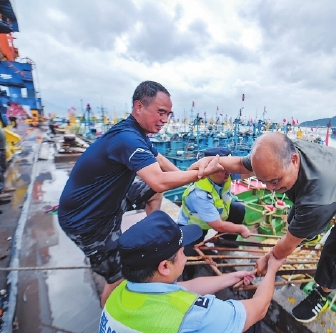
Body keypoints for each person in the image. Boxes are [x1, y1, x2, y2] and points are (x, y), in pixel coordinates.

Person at [58, 81, 223, 307]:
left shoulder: (137, 133)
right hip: (87, 219)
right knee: (119, 277)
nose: (165, 120)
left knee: (152, 192)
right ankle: (108, 320)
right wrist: (199, 175)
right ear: (139, 107)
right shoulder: (127, 138)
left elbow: (160, 160)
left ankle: (149, 229)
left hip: (110, 200)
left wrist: (187, 175)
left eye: (168, 114)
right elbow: (158, 179)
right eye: (161, 112)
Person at [190, 132, 336, 323]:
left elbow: (284, 248)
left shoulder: (317, 200)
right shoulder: (278, 153)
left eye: (274, 181)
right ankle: (310, 230)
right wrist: (211, 163)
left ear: (294, 159)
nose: (270, 189)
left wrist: (269, 258)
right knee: (297, 218)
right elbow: (242, 164)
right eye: (264, 182)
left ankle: (322, 293)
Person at [100, 210, 285, 332]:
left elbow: (186, 287)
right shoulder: (189, 315)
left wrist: (232, 277)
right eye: (182, 252)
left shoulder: (122, 292)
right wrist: (272, 269)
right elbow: (259, 309)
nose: (186, 256)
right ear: (164, 267)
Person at [178, 147, 250, 248]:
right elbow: (218, 225)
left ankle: (224, 241)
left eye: (229, 168)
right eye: (223, 169)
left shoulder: (224, 175)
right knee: (191, 253)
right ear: (210, 169)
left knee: (238, 209)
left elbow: (249, 172)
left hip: (213, 215)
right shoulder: (200, 193)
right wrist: (241, 229)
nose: (228, 172)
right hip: (194, 225)